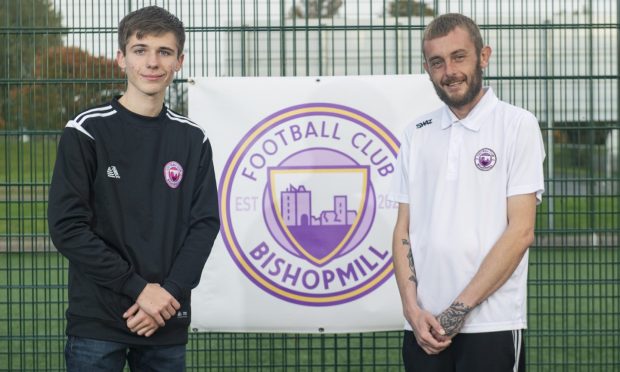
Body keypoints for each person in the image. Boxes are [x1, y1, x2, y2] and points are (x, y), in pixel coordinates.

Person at [48, 6, 220, 371]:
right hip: (99, 322)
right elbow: (68, 228)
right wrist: (141, 290)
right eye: (141, 50)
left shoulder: (193, 140)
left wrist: (168, 294)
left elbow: (204, 224)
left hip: (165, 319)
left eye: (165, 52)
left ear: (179, 61)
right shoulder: (85, 131)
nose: (152, 62)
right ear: (121, 59)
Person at [389, 13, 545, 372]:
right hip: (423, 328)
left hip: (492, 323)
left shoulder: (517, 125)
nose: (449, 71)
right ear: (427, 69)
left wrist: (458, 310)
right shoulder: (416, 133)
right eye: (437, 62)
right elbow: (402, 231)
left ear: (484, 56)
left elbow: (521, 232)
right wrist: (412, 310)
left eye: (459, 57)